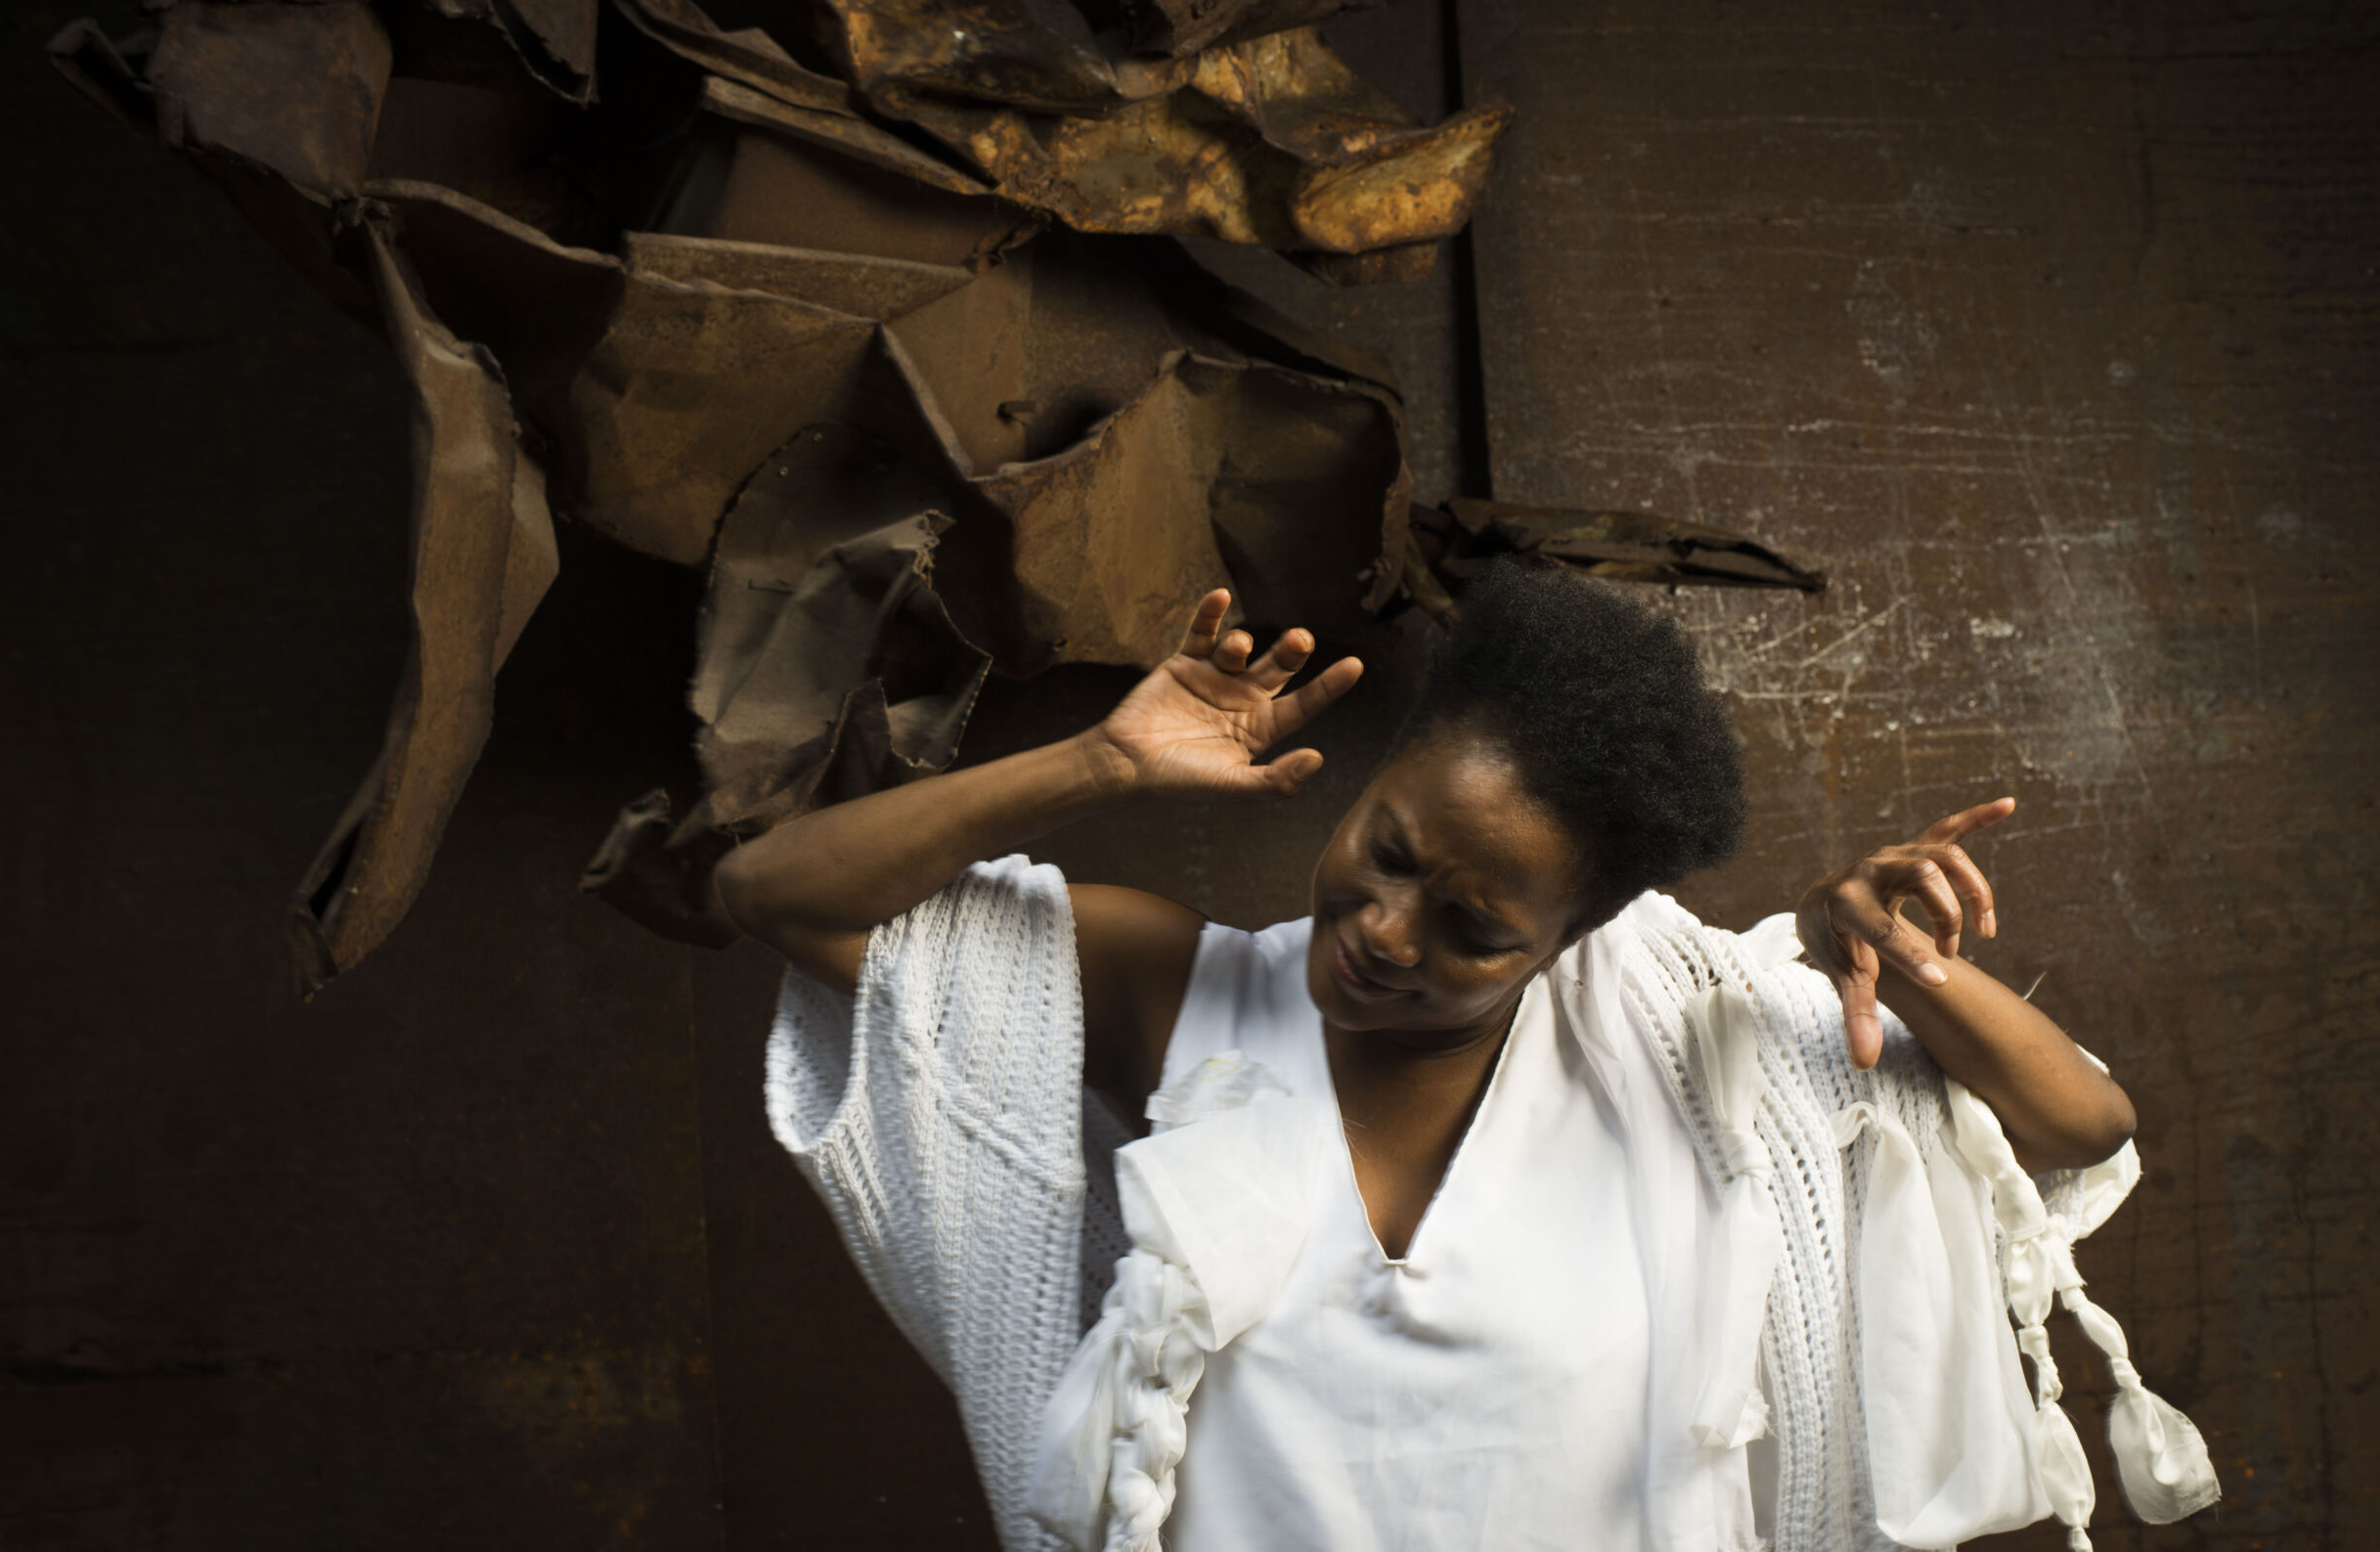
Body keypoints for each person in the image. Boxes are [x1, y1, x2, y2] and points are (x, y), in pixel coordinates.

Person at [715, 566, 2217, 1552]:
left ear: (1573, 937)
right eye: (1386, 849)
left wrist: (1903, 961)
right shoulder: (1182, 997)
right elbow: (774, 893)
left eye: (1474, 929)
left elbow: (2080, 1123)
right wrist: (1098, 762)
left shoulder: (1691, 1054)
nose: (1384, 929)